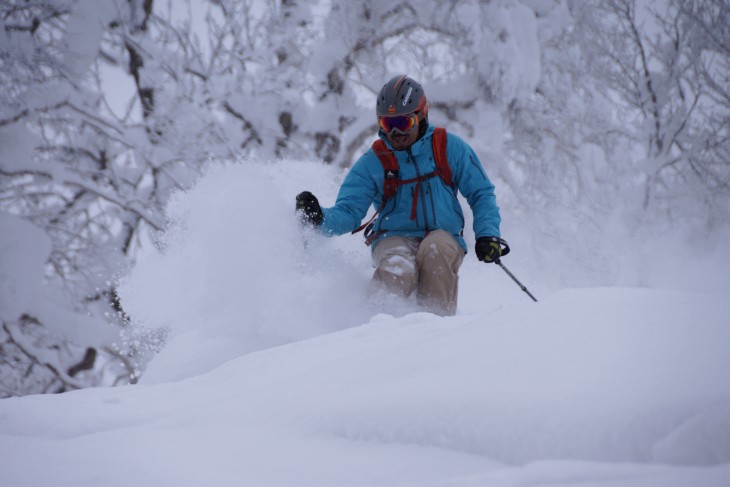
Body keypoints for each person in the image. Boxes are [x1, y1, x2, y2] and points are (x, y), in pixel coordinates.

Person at [296, 75, 506, 316]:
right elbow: (349, 212)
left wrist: (488, 234)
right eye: (387, 124)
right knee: (398, 267)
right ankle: (377, 330)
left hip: (443, 235)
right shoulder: (374, 162)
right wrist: (319, 218)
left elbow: (481, 193)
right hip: (393, 236)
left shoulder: (447, 147)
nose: (395, 132)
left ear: (421, 115)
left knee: (435, 250)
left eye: (403, 123)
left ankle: (436, 328)